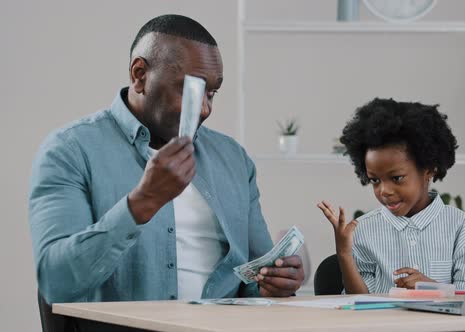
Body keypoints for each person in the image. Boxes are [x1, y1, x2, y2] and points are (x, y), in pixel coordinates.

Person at [29, 14, 303, 304]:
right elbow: (56, 282)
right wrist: (142, 202)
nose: (206, 109)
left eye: (212, 93)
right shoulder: (70, 151)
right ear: (139, 75)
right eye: (190, 90)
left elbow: (256, 277)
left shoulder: (233, 159)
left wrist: (273, 283)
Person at [318, 98, 465, 294]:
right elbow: (359, 304)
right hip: (385, 326)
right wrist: (344, 253)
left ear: (428, 169)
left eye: (396, 178)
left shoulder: (461, 228)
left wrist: (432, 288)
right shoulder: (362, 231)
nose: (384, 191)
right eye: (375, 180)